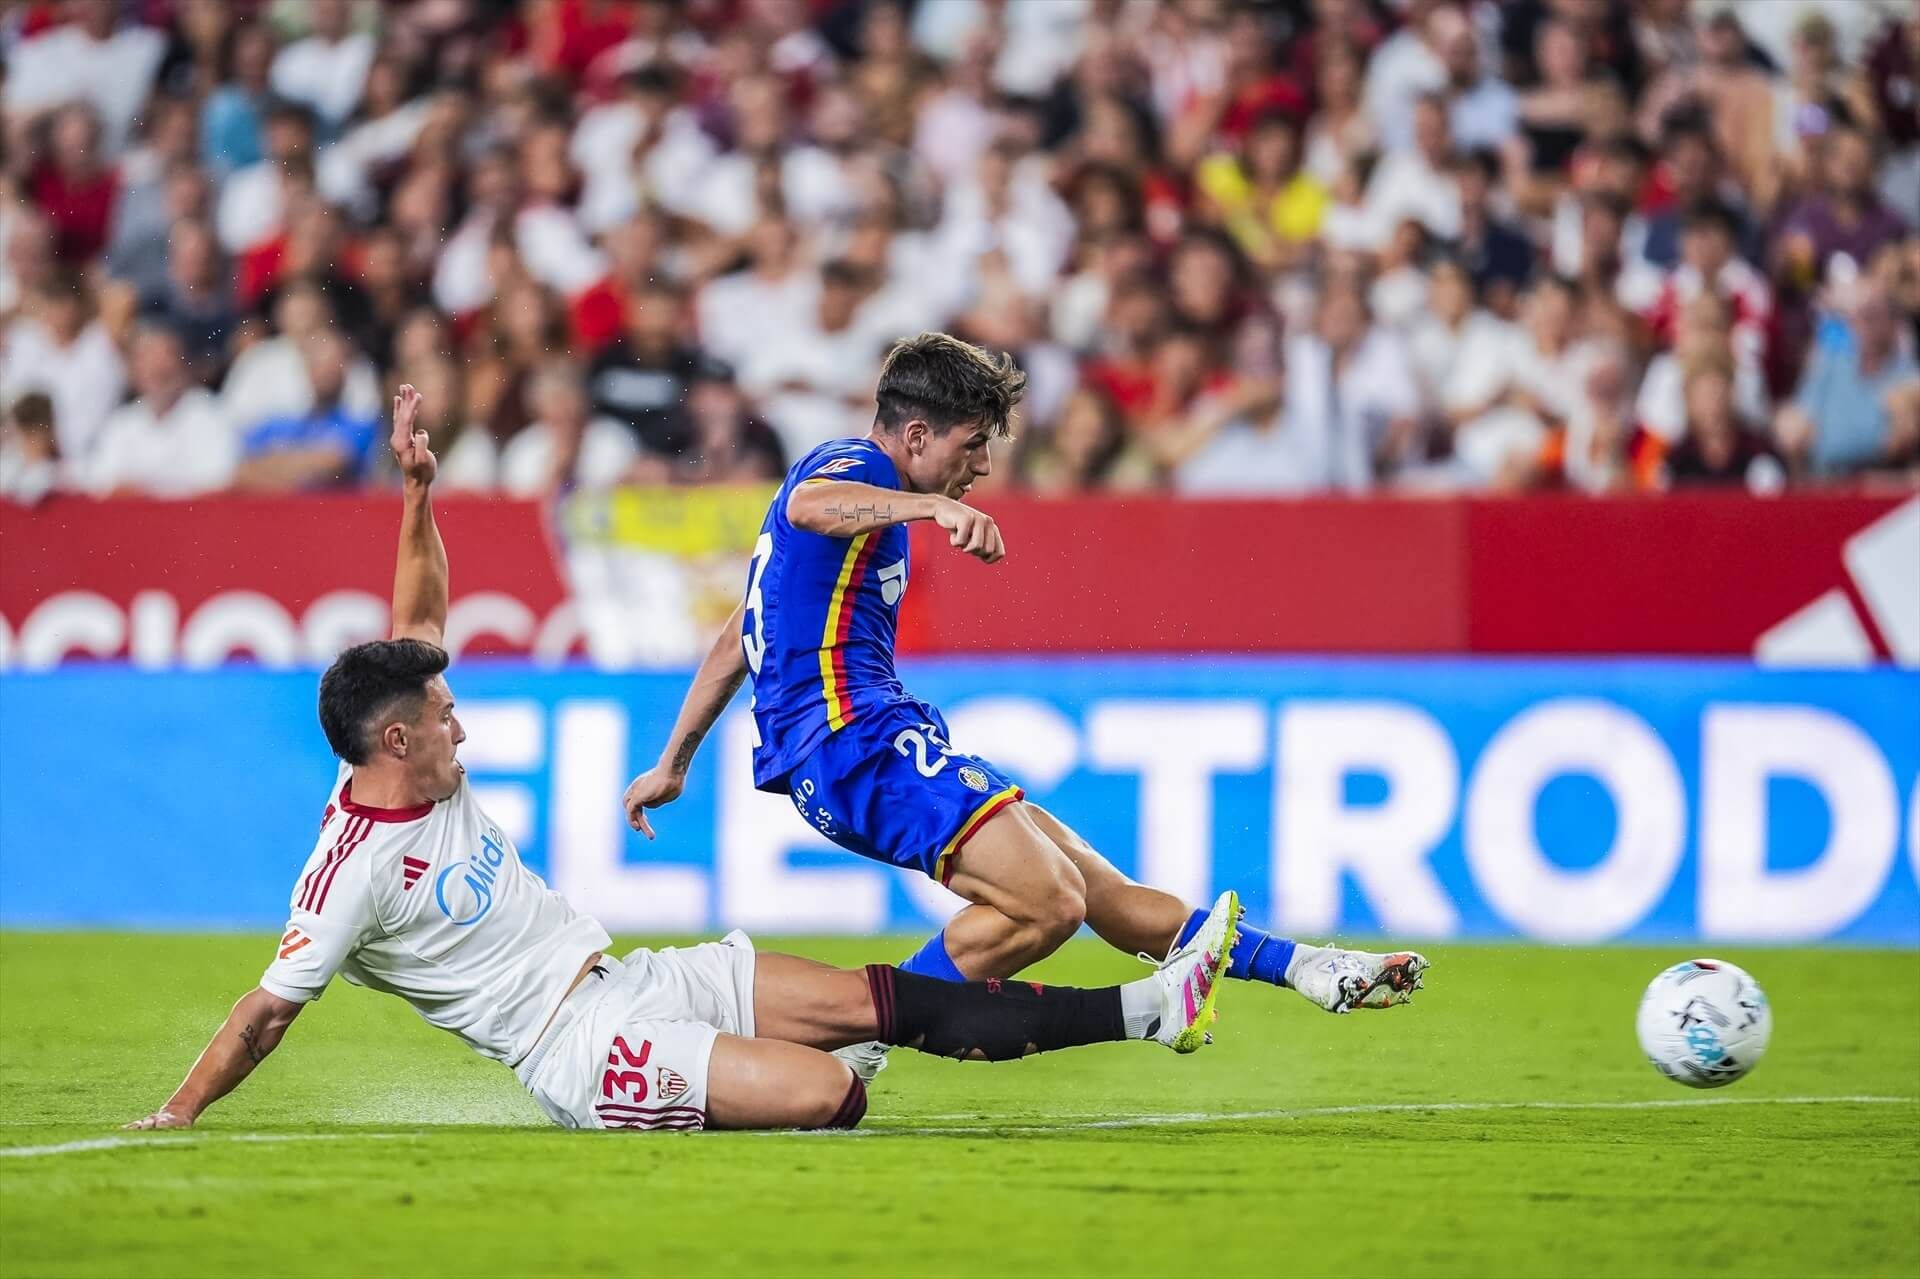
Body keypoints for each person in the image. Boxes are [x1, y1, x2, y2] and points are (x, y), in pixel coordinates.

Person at [125, 385, 1241, 1136]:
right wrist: (177, 1116)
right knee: (830, 1094)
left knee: (878, 1005)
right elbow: (265, 1011)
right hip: (576, 1044)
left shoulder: (410, 748)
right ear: (398, 739)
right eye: (447, 713)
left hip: (634, 975)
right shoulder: (349, 870)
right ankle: (725, 1089)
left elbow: (416, 612)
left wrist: (418, 491)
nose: (463, 723)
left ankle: (1147, 1011)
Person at [623, 332, 1430, 1082]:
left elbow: (740, 632)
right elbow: (810, 506)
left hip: (864, 742)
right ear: (914, 436)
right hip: (854, 742)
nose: (980, 466)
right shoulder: (853, 468)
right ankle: (858, 1030)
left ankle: (1307, 966)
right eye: (971, 444)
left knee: (1094, 889)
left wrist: (674, 761)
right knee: (1050, 901)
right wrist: (931, 507)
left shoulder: (856, 506)